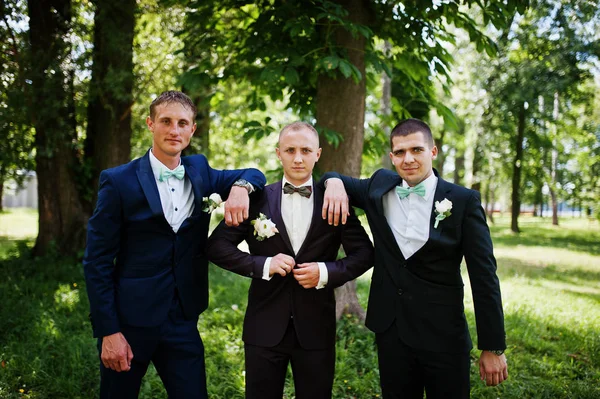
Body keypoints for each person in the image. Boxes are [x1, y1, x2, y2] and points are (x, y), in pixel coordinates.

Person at [83, 90, 266, 399]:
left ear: (192, 130)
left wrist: (240, 188)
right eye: (166, 121)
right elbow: (96, 261)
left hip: (183, 318)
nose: (174, 130)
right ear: (150, 124)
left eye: (183, 123)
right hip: (129, 321)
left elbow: (254, 173)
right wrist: (109, 332)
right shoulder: (118, 181)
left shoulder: (200, 170)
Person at [321, 118, 507, 399]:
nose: (408, 159)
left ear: (433, 152)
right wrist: (333, 182)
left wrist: (492, 346)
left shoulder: (463, 201)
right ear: (392, 157)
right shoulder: (378, 186)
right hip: (391, 331)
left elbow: (484, 276)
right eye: (399, 152)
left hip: (444, 334)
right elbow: (331, 177)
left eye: (416, 150)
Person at [206, 122, 374, 399]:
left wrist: (325, 272)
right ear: (278, 153)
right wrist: (261, 265)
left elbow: (365, 254)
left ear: (317, 154)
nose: (298, 158)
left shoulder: (334, 199)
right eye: (290, 150)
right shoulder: (258, 199)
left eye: (305, 150)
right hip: (263, 327)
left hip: (316, 329)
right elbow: (216, 246)